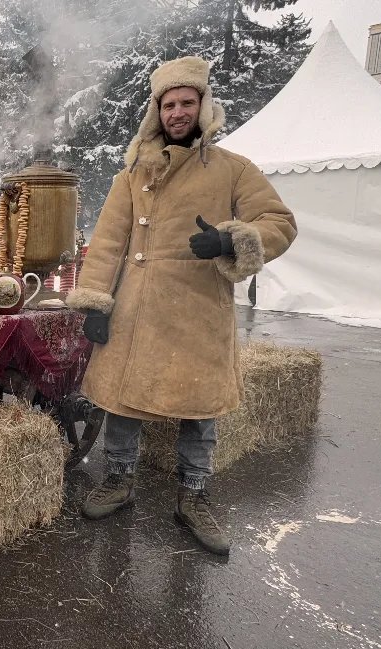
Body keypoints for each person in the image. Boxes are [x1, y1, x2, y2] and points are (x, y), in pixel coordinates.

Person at [66, 56, 296, 556]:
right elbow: (108, 242)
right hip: (137, 306)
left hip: (199, 308)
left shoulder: (233, 169)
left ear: (203, 106)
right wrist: (95, 303)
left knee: (199, 407)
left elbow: (279, 221)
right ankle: (119, 479)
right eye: (169, 104)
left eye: (186, 102)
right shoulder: (131, 173)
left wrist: (231, 242)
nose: (177, 112)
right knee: (123, 401)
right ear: (157, 110)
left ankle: (193, 494)